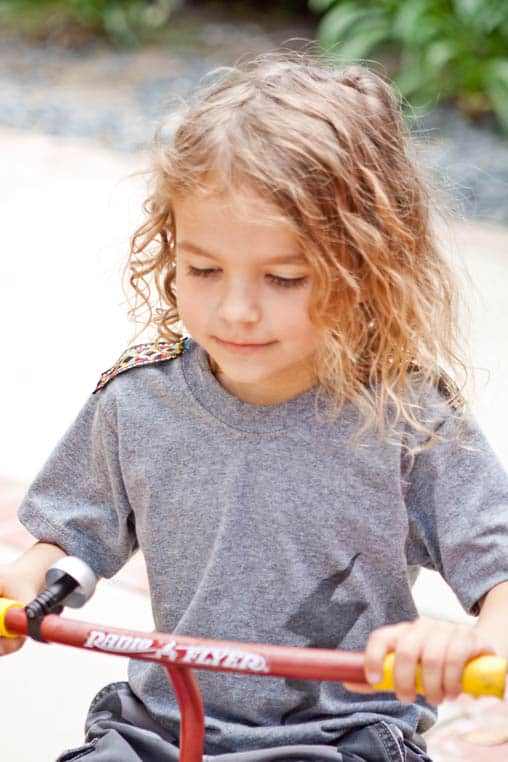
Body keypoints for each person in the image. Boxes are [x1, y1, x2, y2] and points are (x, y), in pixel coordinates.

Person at [1, 52, 508, 762]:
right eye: (203, 270)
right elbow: (67, 549)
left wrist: (466, 643)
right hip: (162, 728)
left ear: (367, 267)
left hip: (342, 740)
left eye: (283, 277)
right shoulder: (137, 403)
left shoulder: (407, 418)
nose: (236, 310)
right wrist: (26, 588)